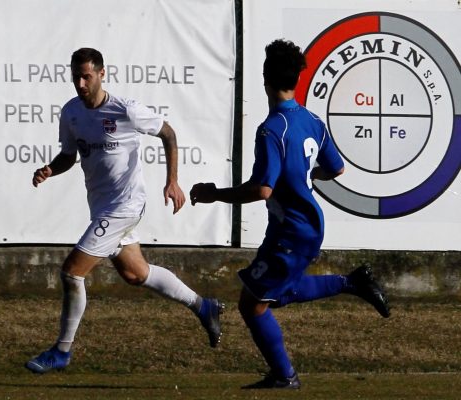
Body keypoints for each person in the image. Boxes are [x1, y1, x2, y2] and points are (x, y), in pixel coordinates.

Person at [190, 39, 390, 389]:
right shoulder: (312, 121)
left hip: (291, 231)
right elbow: (336, 169)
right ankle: (353, 283)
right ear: (296, 79)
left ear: (264, 78)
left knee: (252, 303)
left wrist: (214, 195)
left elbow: (262, 189)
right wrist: (302, 174)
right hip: (305, 226)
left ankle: (285, 376)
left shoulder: (271, 129)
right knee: (275, 292)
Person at [25, 48, 223, 374]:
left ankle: (61, 351)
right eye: (75, 76)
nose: (80, 83)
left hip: (127, 204)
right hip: (102, 206)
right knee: (135, 274)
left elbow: (168, 134)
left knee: (72, 272)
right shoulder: (71, 112)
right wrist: (49, 169)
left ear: (102, 74)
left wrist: (172, 182)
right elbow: (69, 155)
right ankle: (204, 307)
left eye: (86, 76)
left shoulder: (125, 110)